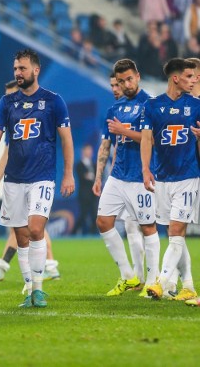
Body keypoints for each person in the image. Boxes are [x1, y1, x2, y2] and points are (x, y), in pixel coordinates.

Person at [0, 49, 75, 308]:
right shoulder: (6, 103)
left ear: (36, 70)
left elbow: (66, 139)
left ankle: (39, 288)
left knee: (35, 229)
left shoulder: (54, 101)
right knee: (20, 236)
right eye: (15, 69)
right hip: (14, 179)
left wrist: (67, 173)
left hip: (42, 177)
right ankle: (30, 287)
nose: (18, 73)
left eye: (22, 68)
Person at [0, 80, 60, 282]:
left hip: (37, 178)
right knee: (33, 228)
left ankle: (3, 266)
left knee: (28, 227)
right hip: (19, 180)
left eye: (12, 94)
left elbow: (6, 156)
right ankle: (50, 266)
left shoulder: (36, 114)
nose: (9, 100)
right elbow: (5, 156)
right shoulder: (12, 120)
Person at [92, 59, 159, 297]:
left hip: (141, 176)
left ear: (138, 76)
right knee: (103, 222)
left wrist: (124, 131)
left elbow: (151, 139)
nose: (126, 84)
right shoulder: (114, 109)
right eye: (121, 81)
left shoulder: (151, 104)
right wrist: (99, 176)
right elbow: (107, 146)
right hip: (118, 176)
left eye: (129, 79)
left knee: (147, 226)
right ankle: (128, 275)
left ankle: (152, 281)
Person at [143, 58, 199, 302]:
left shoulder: (196, 105)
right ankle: (188, 285)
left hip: (187, 176)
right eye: (188, 76)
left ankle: (161, 281)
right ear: (176, 78)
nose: (193, 80)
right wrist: (145, 169)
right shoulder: (152, 106)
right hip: (162, 178)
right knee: (175, 235)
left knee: (177, 230)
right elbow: (146, 139)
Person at [75, 144, 96, 235]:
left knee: (94, 214)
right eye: (87, 150)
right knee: (83, 214)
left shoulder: (94, 164)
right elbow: (82, 177)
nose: (89, 152)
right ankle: (74, 232)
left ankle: (93, 233)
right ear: (83, 152)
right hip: (84, 193)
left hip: (93, 193)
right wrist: (89, 176)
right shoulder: (79, 164)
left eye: (90, 150)